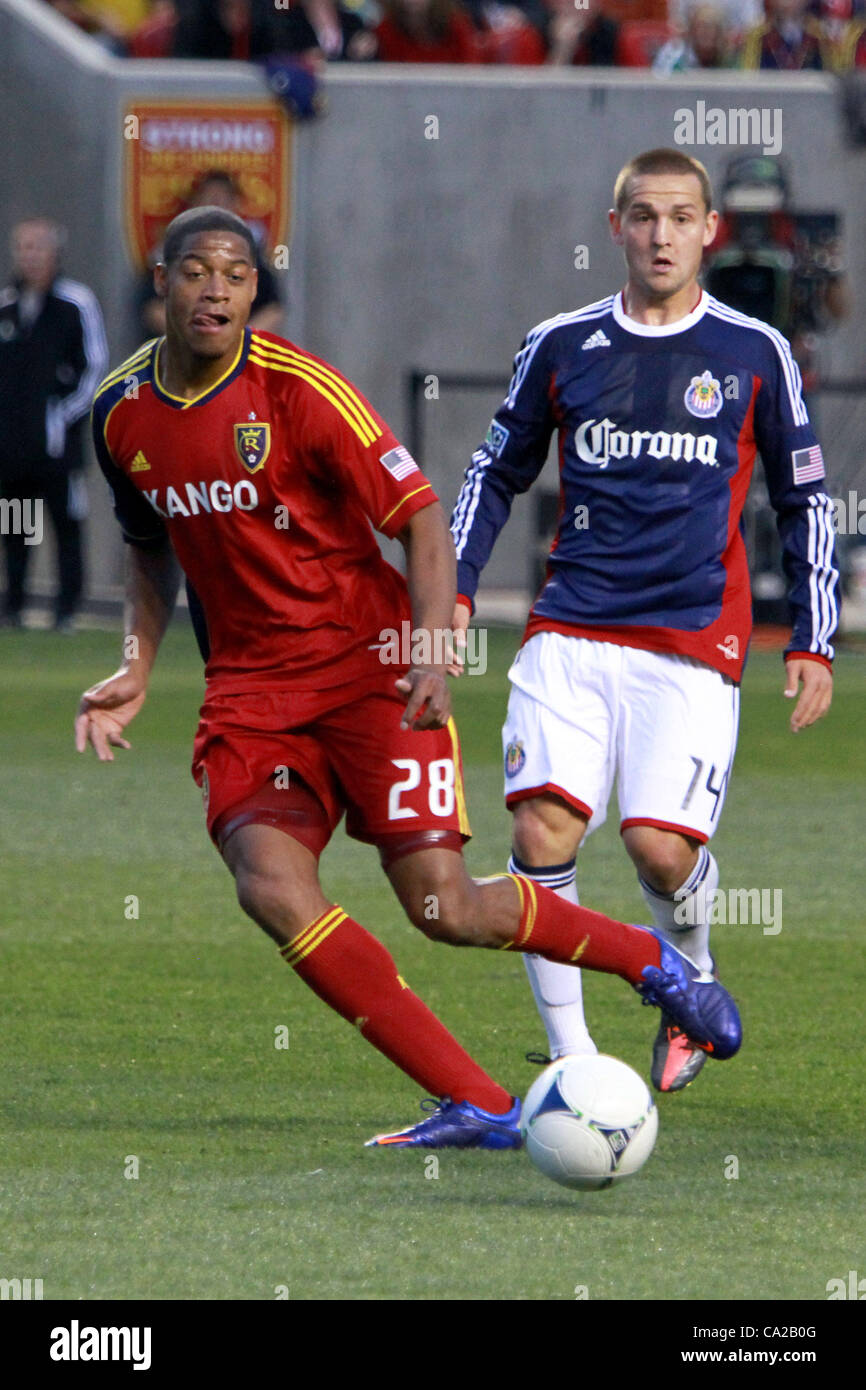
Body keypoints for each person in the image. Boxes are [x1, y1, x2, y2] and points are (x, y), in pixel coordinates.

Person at [77, 205, 741, 1149]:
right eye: (196, 270)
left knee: (446, 906)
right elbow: (149, 545)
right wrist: (136, 665)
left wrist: (430, 648)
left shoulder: (300, 391)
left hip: (365, 669)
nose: (215, 288)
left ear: (256, 293)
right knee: (268, 883)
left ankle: (655, 966)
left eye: (235, 273)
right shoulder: (121, 413)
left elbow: (421, 514)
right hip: (251, 695)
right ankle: (480, 1102)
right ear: (162, 281)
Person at [450, 148, 837, 1095]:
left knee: (660, 852)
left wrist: (813, 637)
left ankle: (688, 978)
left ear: (710, 230)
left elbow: (807, 500)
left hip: (693, 640)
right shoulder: (560, 345)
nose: (661, 234)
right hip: (571, 627)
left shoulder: (755, 353)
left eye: (680, 217)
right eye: (643, 216)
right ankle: (574, 1065)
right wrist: (451, 592)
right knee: (543, 832)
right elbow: (494, 471)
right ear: (615, 226)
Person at [0, 218, 108, 631]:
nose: (30, 256)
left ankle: (67, 610)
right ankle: (15, 606)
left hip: (59, 447)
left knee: (66, 523)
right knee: (17, 525)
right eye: (23, 247)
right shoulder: (7, 305)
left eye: (37, 247)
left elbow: (93, 366)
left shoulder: (74, 303)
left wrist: (61, 416)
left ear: (54, 252)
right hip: (14, 449)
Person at [135, 170, 283, 340]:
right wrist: (194, 339)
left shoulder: (251, 251)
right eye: (195, 274)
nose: (216, 206)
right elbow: (152, 308)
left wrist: (236, 342)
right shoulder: (172, 249)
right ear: (195, 205)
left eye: (235, 276)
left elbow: (273, 308)